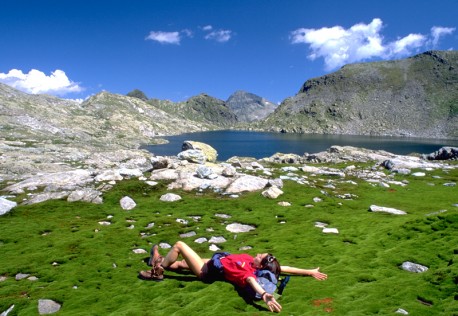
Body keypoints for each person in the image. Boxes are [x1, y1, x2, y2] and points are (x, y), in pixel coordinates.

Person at [139, 241, 327, 313]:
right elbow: (284, 268)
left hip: (207, 270)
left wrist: (264, 295)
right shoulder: (254, 264)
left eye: (261, 256)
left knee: (179, 246)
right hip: (217, 261)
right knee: (178, 264)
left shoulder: (249, 273)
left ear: (259, 265)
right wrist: (309, 271)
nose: (260, 253)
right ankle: (158, 260)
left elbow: (251, 281)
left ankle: (157, 272)